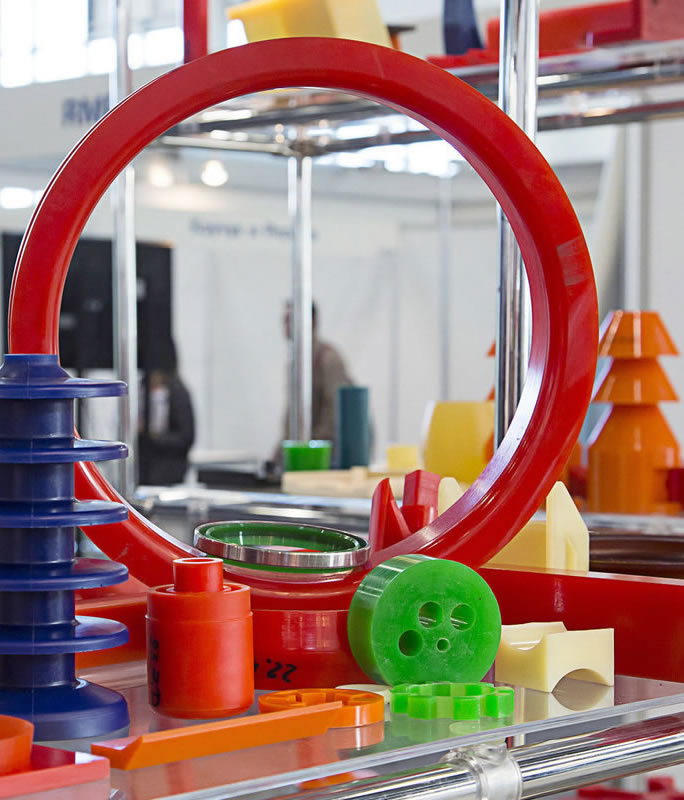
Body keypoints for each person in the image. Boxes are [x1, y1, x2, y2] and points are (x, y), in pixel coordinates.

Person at [279, 300, 353, 448]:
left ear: (311, 321)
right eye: (284, 321)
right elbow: (293, 413)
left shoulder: (328, 358)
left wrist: (311, 447)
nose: (285, 326)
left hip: (325, 451)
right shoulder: (298, 362)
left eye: (290, 320)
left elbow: (335, 411)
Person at [138, 341, 195, 485]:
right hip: (145, 469)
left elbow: (186, 437)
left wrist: (155, 437)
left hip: (168, 469)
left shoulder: (176, 392)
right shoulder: (142, 388)